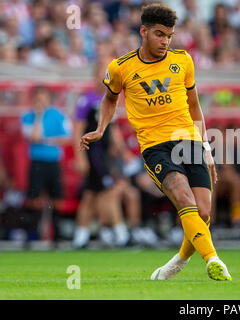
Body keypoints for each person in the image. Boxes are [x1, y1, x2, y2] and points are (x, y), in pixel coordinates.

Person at [80, 3, 231, 281]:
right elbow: (109, 100)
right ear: (144, 31)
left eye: (170, 36)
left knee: (204, 212)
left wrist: (207, 148)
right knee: (184, 199)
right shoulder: (121, 67)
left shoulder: (183, 60)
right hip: (155, 147)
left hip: (189, 142)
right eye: (160, 34)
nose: (165, 41)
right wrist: (101, 128)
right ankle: (214, 260)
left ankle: (177, 263)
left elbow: (195, 106)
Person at [72, 57, 130, 249]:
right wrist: (80, 157)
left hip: (104, 154)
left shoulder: (109, 99)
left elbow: (111, 128)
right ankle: (120, 234)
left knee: (91, 195)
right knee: (109, 191)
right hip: (93, 154)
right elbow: (77, 129)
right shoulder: (86, 100)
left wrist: (120, 148)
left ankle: (81, 236)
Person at [21, 85, 72, 242]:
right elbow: (34, 137)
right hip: (37, 162)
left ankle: (56, 233)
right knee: (33, 199)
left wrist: (48, 139)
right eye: (37, 97)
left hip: (53, 162)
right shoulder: (28, 116)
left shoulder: (59, 115)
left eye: (43, 97)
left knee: (56, 199)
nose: (40, 100)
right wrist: (39, 116)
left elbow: (66, 138)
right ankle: (31, 233)